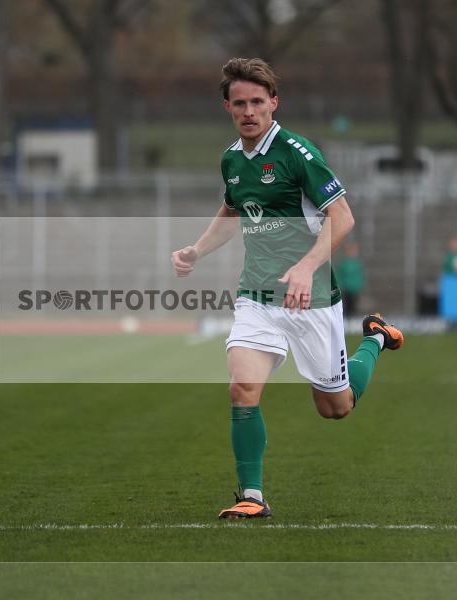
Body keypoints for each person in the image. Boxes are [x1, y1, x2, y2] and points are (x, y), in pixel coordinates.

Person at [171, 58, 404, 519]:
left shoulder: (298, 153)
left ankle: (375, 338)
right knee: (242, 387)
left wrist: (305, 267)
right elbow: (233, 210)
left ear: (273, 103)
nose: (249, 111)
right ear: (227, 107)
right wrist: (198, 250)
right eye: (240, 103)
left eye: (257, 102)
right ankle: (252, 496)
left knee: (335, 408)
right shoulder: (231, 159)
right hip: (257, 297)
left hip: (310, 299)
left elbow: (343, 217)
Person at [336, 241, 366, 316]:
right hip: (346, 288)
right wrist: (340, 285)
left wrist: (360, 285)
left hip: (355, 288)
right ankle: (347, 316)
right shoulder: (344, 263)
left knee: (354, 304)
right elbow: (340, 275)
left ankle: (352, 316)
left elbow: (360, 276)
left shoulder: (358, 263)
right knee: (347, 304)